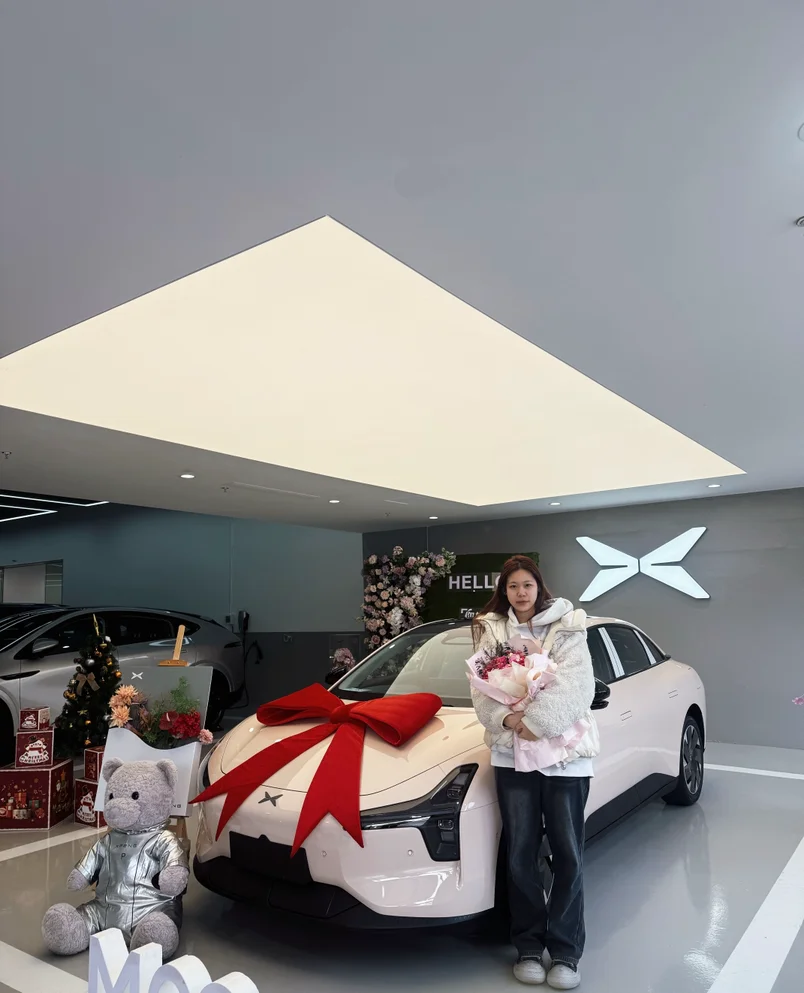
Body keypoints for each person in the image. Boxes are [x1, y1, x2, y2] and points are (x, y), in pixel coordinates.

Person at [471, 555, 599, 990]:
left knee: (568, 854)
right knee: (520, 854)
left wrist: (537, 722)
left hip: (566, 758)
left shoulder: (569, 626)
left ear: (539, 587)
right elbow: (481, 686)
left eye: (527, 584)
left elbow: (577, 686)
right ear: (504, 591)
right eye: (512, 586)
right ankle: (527, 946)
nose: (520, 593)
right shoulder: (490, 630)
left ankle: (565, 952)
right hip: (512, 755)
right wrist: (507, 720)